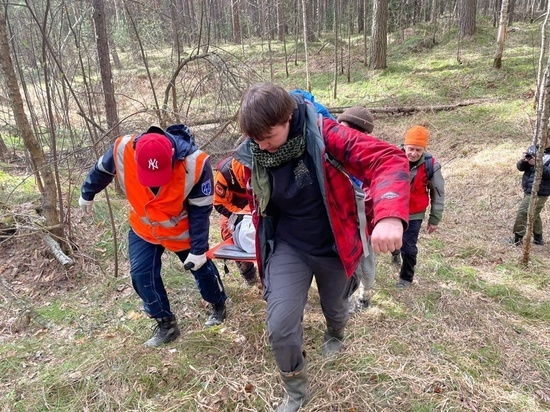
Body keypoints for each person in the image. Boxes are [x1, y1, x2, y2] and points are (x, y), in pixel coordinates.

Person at [233, 83, 410, 411]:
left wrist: (388, 216)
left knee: (335, 307)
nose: (262, 146)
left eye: (268, 137)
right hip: (288, 245)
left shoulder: (325, 135)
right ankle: (296, 392)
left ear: (288, 118)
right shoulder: (255, 151)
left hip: (333, 245)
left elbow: (387, 160)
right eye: (255, 140)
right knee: (280, 325)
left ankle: (335, 333)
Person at [79, 124, 228, 347]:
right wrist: (87, 192)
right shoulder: (122, 149)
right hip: (144, 227)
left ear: (171, 156)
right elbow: (101, 170)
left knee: (201, 268)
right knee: (141, 275)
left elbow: (200, 211)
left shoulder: (195, 164)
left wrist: (198, 250)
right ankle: (165, 323)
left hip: (180, 229)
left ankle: (218, 304)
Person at [391, 125, 445, 289]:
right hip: (393, 209)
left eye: (418, 150)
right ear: (404, 146)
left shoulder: (431, 165)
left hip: (415, 213)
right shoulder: (392, 158)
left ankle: (406, 278)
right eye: (411, 149)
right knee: (394, 239)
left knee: (409, 246)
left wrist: (434, 219)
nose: (413, 153)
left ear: (424, 149)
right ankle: (395, 253)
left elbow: (438, 193)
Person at [337, 106, 376, 313]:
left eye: (355, 130)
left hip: (364, 226)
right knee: (345, 268)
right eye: (344, 127)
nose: (347, 134)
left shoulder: (370, 159)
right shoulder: (329, 153)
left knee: (366, 266)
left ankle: (365, 293)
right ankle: (348, 301)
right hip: (341, 226)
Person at [213, 155, 258, 285]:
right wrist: (238, 216)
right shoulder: (225, 173)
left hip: (259, 203)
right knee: (227, 230)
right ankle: (248, 273)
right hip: (235, 207)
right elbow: (219, 203)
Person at [511, 138, 550, 245]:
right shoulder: (533, 148)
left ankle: (517, 239)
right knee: (534, 213)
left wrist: (537, 164)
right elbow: (520, 168)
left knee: (524, 212)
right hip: (528, 188)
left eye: (544, 139)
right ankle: (538, 238)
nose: (540, 141)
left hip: (541, 191)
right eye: (539, 138)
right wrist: (524, 161)